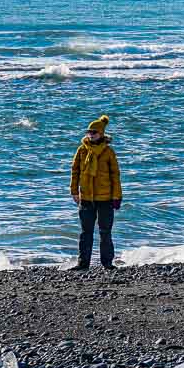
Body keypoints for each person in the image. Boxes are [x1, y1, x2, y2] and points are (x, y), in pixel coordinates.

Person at [69, 114, 122, 270]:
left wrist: (117, 196)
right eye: (89, 132)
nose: (90, 135)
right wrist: (74, 191)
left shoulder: (108, 152)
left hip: (105, 198)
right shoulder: (81, 150)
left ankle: (107, 263)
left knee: (105, 232)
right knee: (86, 232)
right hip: (86, 197)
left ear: (101, 133)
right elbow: (75, 171)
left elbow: (115, 175)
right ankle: (83, 263)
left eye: (94, 132)